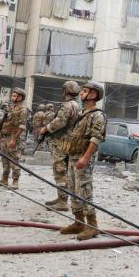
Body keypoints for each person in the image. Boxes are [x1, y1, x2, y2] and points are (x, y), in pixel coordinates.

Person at [59, 82, 106, 241]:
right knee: (73, 189)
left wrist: (85, 158)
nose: (81, 93)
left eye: (85, 91)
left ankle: (92, 226)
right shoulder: (82, 112)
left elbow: (96, 139)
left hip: (83, 158)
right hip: (73, 155)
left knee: (84, 191)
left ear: (93, 95)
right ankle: (78, 222)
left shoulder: (97, 115)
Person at [39, 83, 80, 212]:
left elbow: (59, 122)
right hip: (67, 141)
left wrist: (46, 128)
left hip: (61, 142)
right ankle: (61, 197)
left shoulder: (68, 105)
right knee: (63, 169)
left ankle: (62, 201)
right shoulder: (76, 105)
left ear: (66, 91)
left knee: (60, 170)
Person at [0, 88, 28, 190]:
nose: (13, 97)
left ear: (20, 98)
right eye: (12, 95)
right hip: (4, 136)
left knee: (14, 159)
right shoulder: (10, 108)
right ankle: (4, 179)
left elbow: (21, 127)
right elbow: (3, 124)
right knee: (4, 159)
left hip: (13, 137)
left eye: (15, 96)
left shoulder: (22, 110)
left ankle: (15, 181)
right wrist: (0, 136)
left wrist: (14, 139)